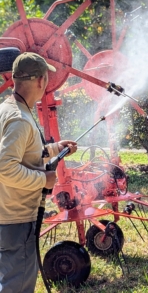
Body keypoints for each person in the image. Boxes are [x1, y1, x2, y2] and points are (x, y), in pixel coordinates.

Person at [0, 52, 77, 293]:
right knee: (17, 286)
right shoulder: (20, 119)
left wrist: (54, 148)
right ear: (40, 81)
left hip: (7, 214)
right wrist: (43, 179)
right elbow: (5, 167)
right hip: (16, 219)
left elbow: (22, 152)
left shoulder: (7, 108)